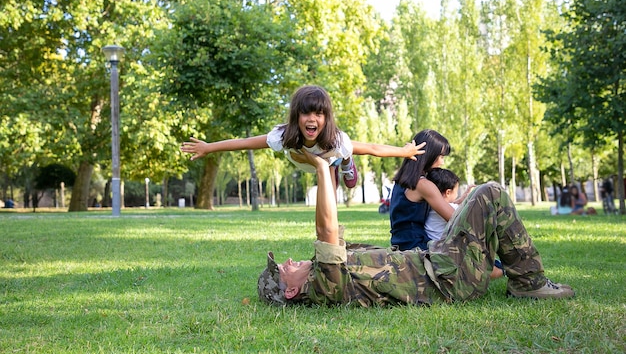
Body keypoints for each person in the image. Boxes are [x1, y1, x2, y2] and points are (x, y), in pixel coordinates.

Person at [257, 149, 574, 306]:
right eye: (281, 270)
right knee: (491, 192)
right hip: (450, 279)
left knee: (486, 196)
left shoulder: (328, 275)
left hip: (440, 261)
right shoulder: (326, 285)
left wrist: (329, 163)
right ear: (291, 290)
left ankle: (523, 279)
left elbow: (327, 229)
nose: (286, 261)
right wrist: (321, 165)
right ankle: (529, 283)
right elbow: (326, 229)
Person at [181, 85, 424, 189]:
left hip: (328, 158)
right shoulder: (282, 136)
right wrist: (208, 147)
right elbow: (245, 143)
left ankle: (346, 163)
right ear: (296, 116)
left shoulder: (336, 139)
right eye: (306, 113)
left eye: (318, 114)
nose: (311, 119)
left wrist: (404, 151)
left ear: (326, 118)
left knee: (339, 161)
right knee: (327, 164)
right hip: (303, 159)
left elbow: (371, 147)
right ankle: (339, 164)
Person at [389, 129, 470, 251]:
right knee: (494, 268)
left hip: (402, 244)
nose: (442, 162)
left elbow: (444, 207)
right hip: (417, 249)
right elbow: (456, 219)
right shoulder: (423, 184)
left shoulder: (403, 180)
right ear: (429, 155)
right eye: (441, 156)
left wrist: (463, 199)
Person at [425, 168, 504, 279]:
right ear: (448, 192)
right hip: (450, 253)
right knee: (497, 269)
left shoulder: (432, 207)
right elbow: (467, 214)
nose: (457, 195)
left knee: (494, 264)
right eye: (456, 192)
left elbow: (455, 206)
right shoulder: (450, 209)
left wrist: (463, 198)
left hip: (439, 249)